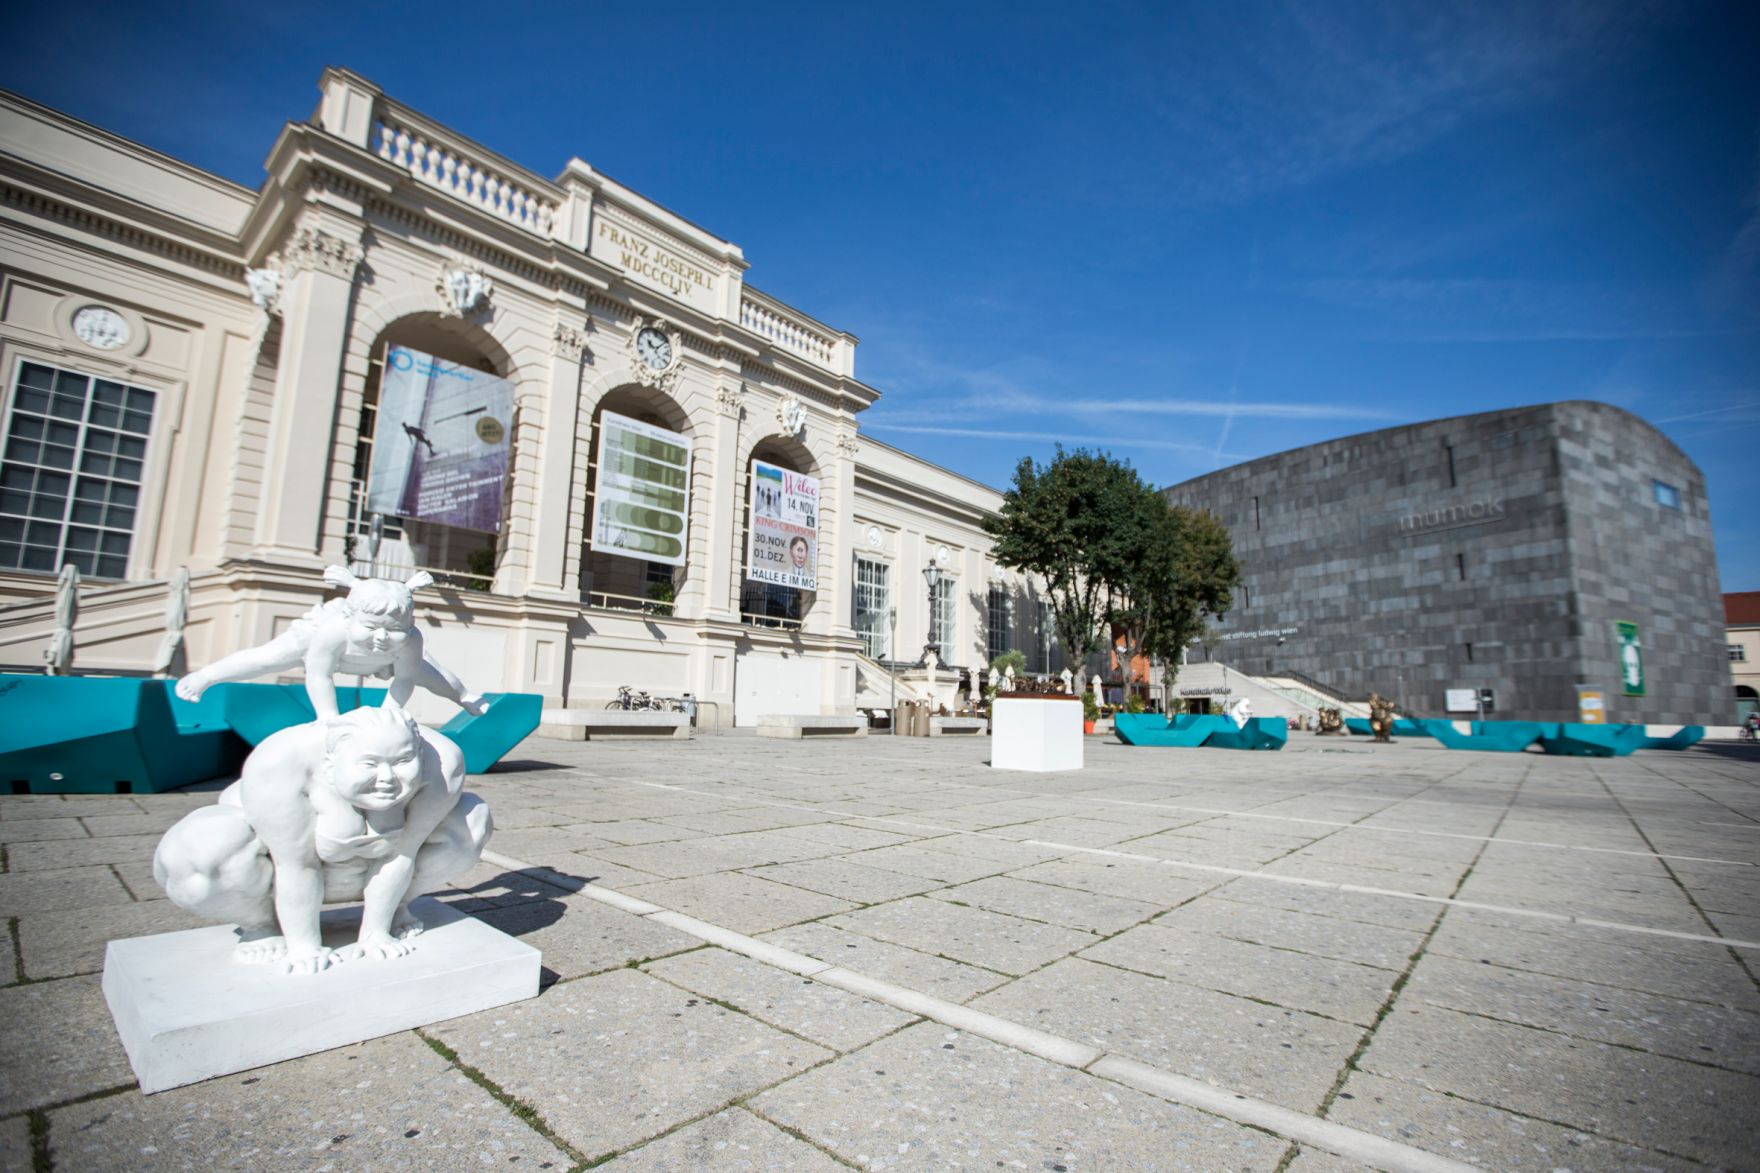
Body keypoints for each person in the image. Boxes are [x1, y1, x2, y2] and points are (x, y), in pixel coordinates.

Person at [152, 705, 491, 973]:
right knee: (204, 849)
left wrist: (375, 933)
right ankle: (259, 923)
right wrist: (304, 946)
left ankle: (396, 908)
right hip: (271, 871)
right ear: (331, 764)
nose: (387, 778)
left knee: (471, 821)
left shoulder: (443, 764)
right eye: (369, 764)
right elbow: (295, 864)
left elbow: (404, 852)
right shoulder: (280, 763)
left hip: (366, 865)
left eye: (403, 761)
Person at [176, 566, 487, 720]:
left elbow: (406, 679)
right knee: (266, 658)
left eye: (393, 629)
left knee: (434, 676)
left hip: (387, 661)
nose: (381, 637)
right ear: (350, 619)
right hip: (326, 648)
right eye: (371, 627)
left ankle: (464, 697)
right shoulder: (332, 631)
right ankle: (206, 676)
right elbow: (319, 675)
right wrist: (328, 720)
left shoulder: (408, 639)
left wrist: (389, 715)